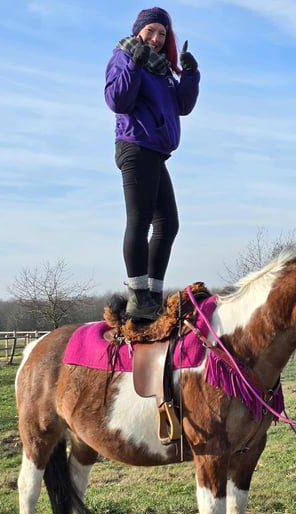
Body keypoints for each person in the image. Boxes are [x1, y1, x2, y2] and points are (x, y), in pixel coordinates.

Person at [104, 7, 200, 322]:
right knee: (140, 220)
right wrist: (134, 62)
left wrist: (189, 74)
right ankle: (138, 297)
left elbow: (182, 105)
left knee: (168, 224)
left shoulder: (162, 70)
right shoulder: (124, 56)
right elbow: (118, 100)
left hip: (156, 153)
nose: (156, 39)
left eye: (162, 33)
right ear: (138, 32)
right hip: (135, 145)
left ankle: (153, 296)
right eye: (151, 32)